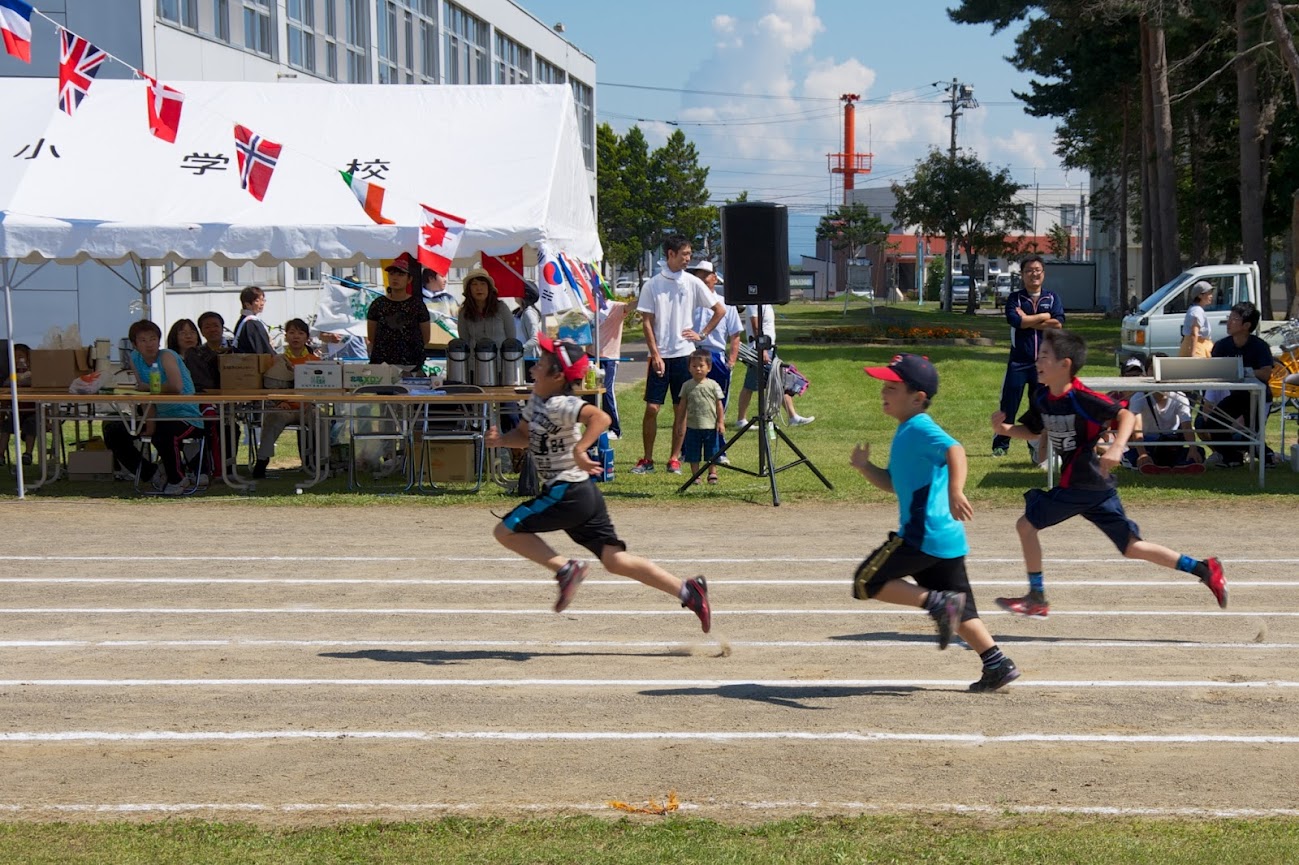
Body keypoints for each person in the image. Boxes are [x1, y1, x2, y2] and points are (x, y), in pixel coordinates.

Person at [989, 329, 1227, 618]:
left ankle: (1037, 597)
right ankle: (1204, 569)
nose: (1037, 361)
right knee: (1132, 547)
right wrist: (1004, 430)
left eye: (1044, 357)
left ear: (1064, 364)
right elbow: (1034, 430)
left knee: (1026, 526)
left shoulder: (1082, 397)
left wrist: (1117, 448)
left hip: (1081, 483)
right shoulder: (1043, 398)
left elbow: (1125, 415)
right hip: (1095, 488)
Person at [486, 335, 712, 632]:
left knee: (506, 530)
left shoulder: (560, 403)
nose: (532, 369)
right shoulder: (538, 401)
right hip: (582, 494)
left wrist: (580, 450)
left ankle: (565, 568)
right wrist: (502, 440)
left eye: (540, 365)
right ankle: (688, 591)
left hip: (566, 491)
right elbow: (524, 436)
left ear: (556, 376)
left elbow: (601, 418)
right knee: (615, 560)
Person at [855, 353, 1020, 692]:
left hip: (922, 534)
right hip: (946, 539)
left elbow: (955, 450)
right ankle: (996, 663)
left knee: (865, 583)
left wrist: (956, 490)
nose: (883, 392)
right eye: (883, 386)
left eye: (892, 387)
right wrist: (865, 467)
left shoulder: (919, 427)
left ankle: (937, 603)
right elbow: (893, 484)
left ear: (917, 398)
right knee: (963, 610)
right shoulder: (907, 430)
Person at [631, 235, 725, 474]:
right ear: (670, 254)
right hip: (660, 355)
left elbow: (719, 309)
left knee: (680, 409)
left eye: (689, 254)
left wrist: (701, 334)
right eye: (684, 254)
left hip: (685, 355)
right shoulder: (652, 284)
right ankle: (647, 459)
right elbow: (647, 322)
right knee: (652, 408)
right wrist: (655, 354)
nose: (688, 258)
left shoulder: (693, 283)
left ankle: (674, 458)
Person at [103, 319, 203, 495]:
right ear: (134, 344)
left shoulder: (167, 356)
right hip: (157, 415)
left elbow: (176, 387)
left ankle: (177, 479)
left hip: (185, 414)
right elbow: (144, 395)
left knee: (163, 432)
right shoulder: (135, 358)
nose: (149, 344)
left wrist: (148, 388)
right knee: (114, 429)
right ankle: (152, 473)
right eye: (143, 340)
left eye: (153, 339)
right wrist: (150, 423)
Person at [992, 255, 1065, 457]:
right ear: (1022, 275)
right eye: (1029, 271)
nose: (1034, 274)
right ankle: (1001, 443)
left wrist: (1030, 319)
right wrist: (1043, 317)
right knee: (1009, 402)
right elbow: (1017, 322)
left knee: (1039, 404)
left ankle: (1035, 442)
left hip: (1043, 364)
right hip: (1019, 361)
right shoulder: (1015, 298)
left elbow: (1058, 323)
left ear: (1043, 273)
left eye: (1037, 270)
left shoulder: (1052, 298)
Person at [1200, 301, 1279, 468]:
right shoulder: (1221, 346)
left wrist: (1243, 371)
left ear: (1247, 325)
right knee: (1213, 423)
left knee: (1250, 434)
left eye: (1234, 318)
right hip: (1236, 396)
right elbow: (1214, 371)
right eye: (1229, 317)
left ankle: (1267, 456)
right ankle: (1232, 458)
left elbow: (1266, 373)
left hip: (1258, 397)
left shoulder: (1260, 346)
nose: (1229, 322)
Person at [686, 260, 742, 459]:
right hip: (693, 353)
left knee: (718, 403)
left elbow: (735, 335)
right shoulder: (690, 302)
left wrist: (732, 362)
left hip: (716, 355)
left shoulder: (726, 303)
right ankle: (688, 449)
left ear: (714, 278)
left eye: (704, 275)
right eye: (697, 275)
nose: (700, 279)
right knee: (691, 401)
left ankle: (718, 449)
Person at [252, 318, 320, 479]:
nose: (296, 336)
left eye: (300, 333)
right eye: (292, 332)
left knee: (321, 419)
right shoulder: (276, 360)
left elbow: (321, 390)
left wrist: (309, 402)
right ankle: (262, 461)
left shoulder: (315, 362)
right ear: (286, 336)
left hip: (307, 407)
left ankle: (321, 460)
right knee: (272, 419)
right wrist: (279, 402)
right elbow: (269, 386)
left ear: (306, 337)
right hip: (283, 406)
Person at [734, 301, 813, 427]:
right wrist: (762, 349)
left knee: (778, 382)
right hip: (759, 350)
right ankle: (741, 420)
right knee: (752, 385)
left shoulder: (766, 303)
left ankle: (793, 417)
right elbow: (756, 325)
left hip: (768, 350)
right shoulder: (755, 303)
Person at [367, 252, 431, 371]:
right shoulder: (378, 304)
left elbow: (425, 338)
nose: (395, 278)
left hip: (411, 364)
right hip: (382, 364)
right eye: (392, 274)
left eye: (401, 274)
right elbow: (372, 336)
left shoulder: (417, 305)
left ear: (409, 279)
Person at [679, 349, 726, 484]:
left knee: (712, 452)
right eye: (694, 366)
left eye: (701, 366)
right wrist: (680, 423)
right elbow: (682, 406)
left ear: (709, 367)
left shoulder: (713, 385)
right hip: (692, 426)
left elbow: (719, 406)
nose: (698, 369)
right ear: (689, 368)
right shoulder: (687, 386)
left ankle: (712, 473)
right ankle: (696, 475)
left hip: (710, 426)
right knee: (693, 452)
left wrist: (720, 422)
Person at [457, 266, 517, 349]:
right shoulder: (464, 312)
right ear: (469, 289)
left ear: (489, 288)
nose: (479, 288)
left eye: (483, 284)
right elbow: (464, 342)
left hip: (499, 360)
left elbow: (511, 338)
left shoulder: (502, 308)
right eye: (474, 284)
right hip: (474, 360)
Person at [596, 295, 629, 440]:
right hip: (592, 355)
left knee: (607, 391)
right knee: (590, 392)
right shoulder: (591, 307)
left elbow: (630, 306)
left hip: (609, 357)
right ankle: (595, 426)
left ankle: (615, 429)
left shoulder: (616, 306)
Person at [0, 343, 36, 467]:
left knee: (32, 424)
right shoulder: (12, 375)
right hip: (16, 411)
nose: (18, 360)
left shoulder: (35, 374)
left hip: (32, 411)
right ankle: (1, 454)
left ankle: (28, 453)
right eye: (14, 357)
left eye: (21, 356)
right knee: (6, 426)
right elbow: (5, 394)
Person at [233, 286, 275, 355]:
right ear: (247, 304)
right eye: (257, 301)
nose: (262, 303)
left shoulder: (242, 321)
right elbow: (262, 350)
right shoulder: (252, 323)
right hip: (253, 363)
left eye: (263, 300)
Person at [1180, 280, 1215, 358]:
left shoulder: (1195, 309)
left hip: (1197, 347)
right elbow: (1194, 333)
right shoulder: (1197, 311)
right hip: (1197, 348)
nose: (1211, 296)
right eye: (1208, 293)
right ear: (1200, 295)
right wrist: (1193, 354)